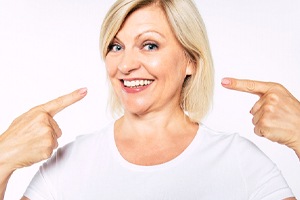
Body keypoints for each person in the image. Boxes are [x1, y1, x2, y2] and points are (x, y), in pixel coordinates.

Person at [0, 0, 299, 199]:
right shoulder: (68, 164)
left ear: (191, 60)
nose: (126, 65)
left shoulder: (239, 160)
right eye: (116, 47)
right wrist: (3, 158)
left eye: (150, 45)